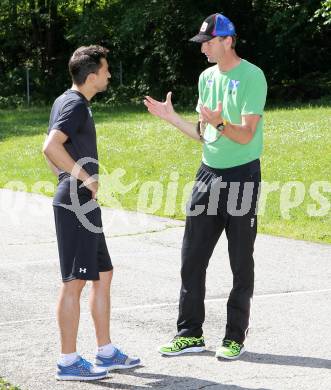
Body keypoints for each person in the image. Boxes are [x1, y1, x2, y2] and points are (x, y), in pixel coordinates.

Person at [144, 13, 267, 360]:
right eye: (201, 43)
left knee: (240, 260)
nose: (203, 50)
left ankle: (234, 337)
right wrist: (172, 118)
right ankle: (189, 333)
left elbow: (243, 135)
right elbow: (205, 134)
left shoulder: (252, 77)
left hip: (242, 176)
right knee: (191, 258)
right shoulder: (205, 78)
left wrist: (219, 121)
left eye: (208, 42)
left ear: (227, 40)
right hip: (207, 175)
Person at [43, 45, 140, 381]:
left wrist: (69, 177)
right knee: (75, 281)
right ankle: (68, 362)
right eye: (106, 69)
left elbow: (51, 150)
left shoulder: (67, 101)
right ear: (92, 74)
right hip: (75, 202)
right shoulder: (73, 104)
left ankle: (106, 351)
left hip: (81, 201)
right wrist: (84, 177)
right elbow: (50, 146)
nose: (109, 74)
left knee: (102, 274)